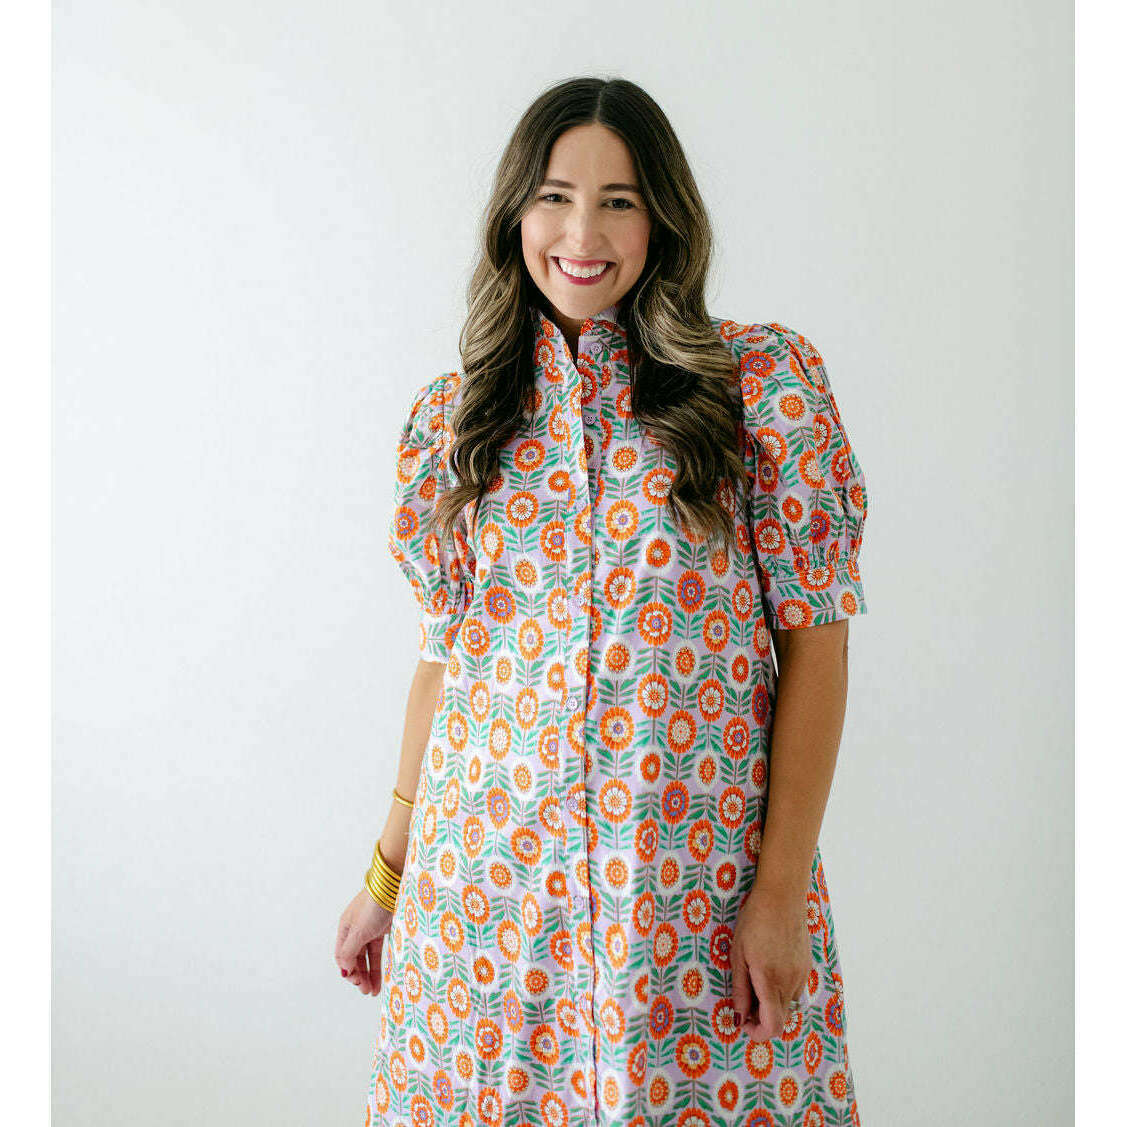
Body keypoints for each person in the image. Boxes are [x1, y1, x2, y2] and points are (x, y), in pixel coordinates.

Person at [336, 76, 869, 1127]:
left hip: (692, 900)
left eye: (617, 201)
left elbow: (817, 649)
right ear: (514, 214)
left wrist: (776, 891)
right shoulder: (456, 423)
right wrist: (387, 875)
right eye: (554, 197)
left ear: (662, 217)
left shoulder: (755, 387)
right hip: (486, 911)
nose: (582, 234)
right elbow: (447, 665)